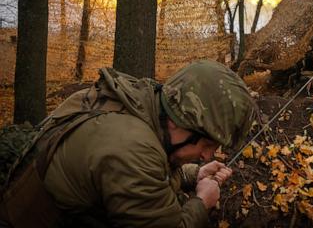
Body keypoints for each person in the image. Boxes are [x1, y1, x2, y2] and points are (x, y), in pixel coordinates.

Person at [0, 60, 256, 228]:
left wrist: (192, 174)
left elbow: (139, 176)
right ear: (179, 122)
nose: (207, 155)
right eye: (207, 144)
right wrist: (201, 203)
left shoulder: (132, 102)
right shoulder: (132, 149)